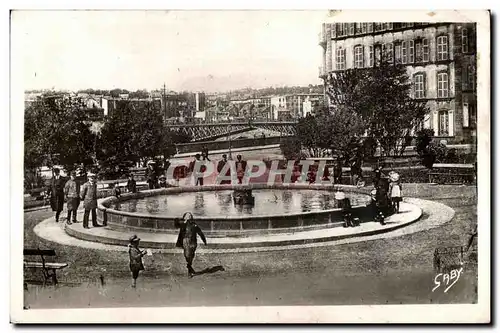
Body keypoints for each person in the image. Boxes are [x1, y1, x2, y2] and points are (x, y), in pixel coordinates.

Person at [175, 212, 207, 278]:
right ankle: (189, 269)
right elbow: (176, 225)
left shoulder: (194, 224)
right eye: (187, 215)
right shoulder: (182, 224)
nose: (188, 216)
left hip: (193, 242)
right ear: (184, 217)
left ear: (191, 217)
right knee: (187, 255)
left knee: (191, 255)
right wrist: (177, 219)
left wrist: (204, 241)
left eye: (189, 215)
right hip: (185, 241)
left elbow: (200, 232)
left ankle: (189, 267)